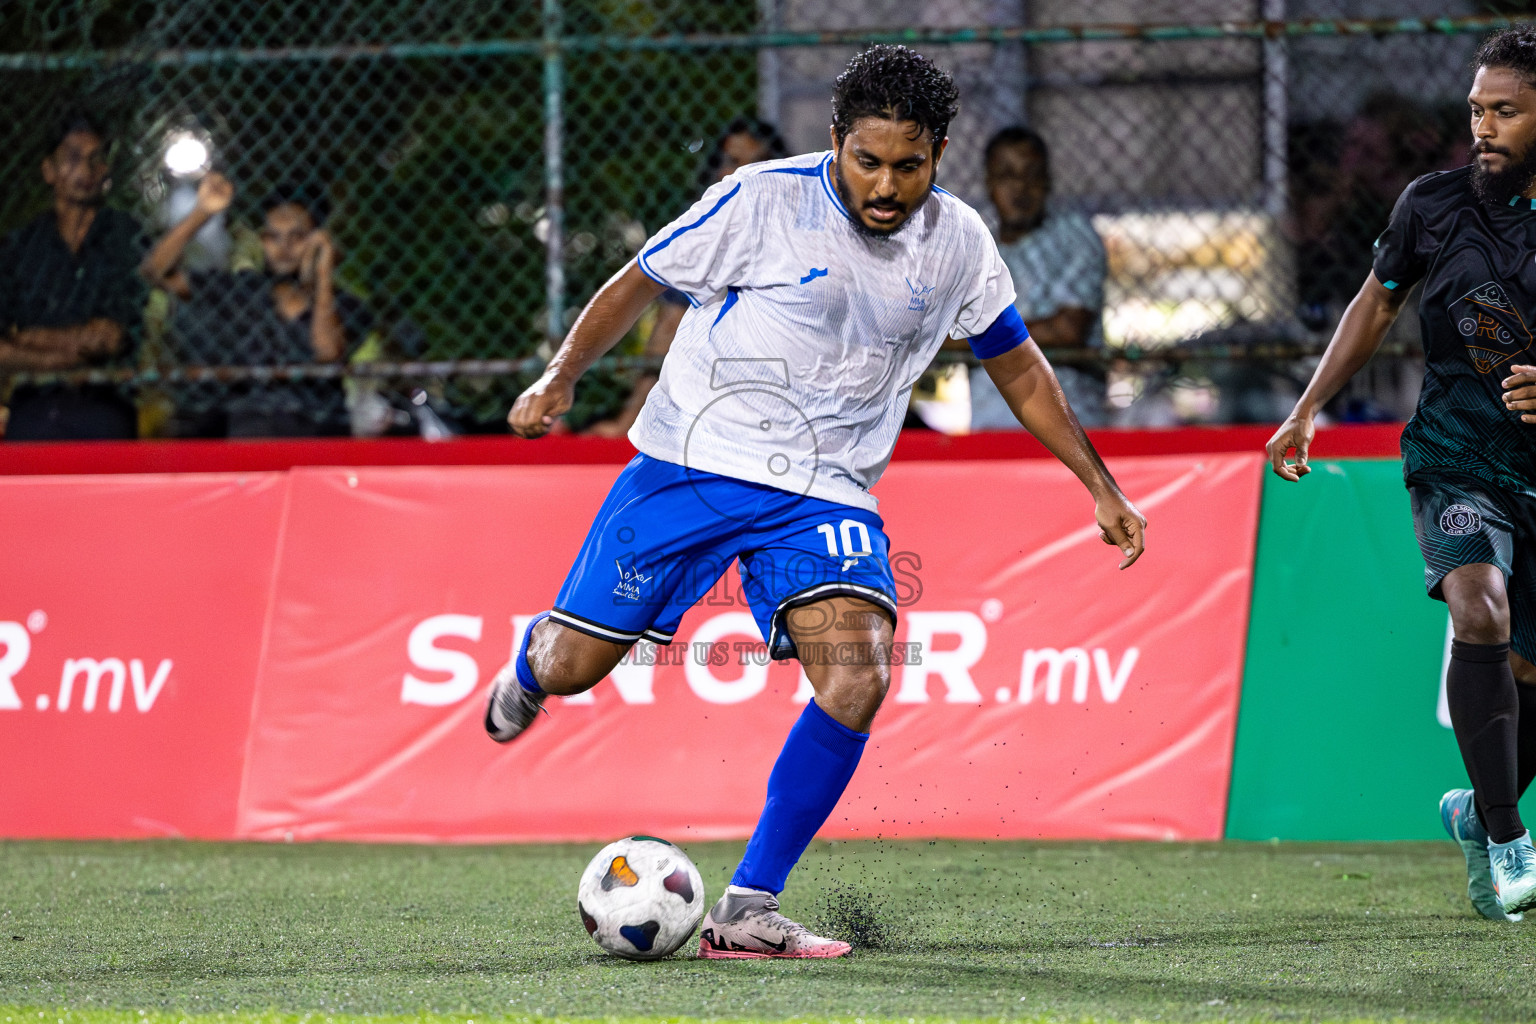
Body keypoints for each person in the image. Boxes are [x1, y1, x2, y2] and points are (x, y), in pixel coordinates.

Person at [490, 45, 1147, 957]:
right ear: (835, 141)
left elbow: (1020, 365)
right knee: (572, 667)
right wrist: (562, 377)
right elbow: (642, 277)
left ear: (940, 154)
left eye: (907, 166)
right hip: (692, 458)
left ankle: (747, 907)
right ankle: (529, 669)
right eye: (867, 161)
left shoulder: (958, 242)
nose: (885, 185)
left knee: (860, 671)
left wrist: (1099, 486)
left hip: (824, 491)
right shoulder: (761, 199)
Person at [1266, 27, 1536, 922]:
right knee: (1479, 604)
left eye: (1505, 110)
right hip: (1455, 455)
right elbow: (1375, 301)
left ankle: (1471, 812)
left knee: (1529, 679)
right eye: (1476, 110)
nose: (1483, 127)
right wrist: (1308, 406)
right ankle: (1508, 841)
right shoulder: (1434, 205)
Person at [581, 116, 789, 438]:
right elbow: (670, 321)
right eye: (733, 162)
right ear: (716, 170)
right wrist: (629, 421)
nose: (744, 173)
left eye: (758, 163)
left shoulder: (802, 229)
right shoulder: (705, 231)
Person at [142, 172, 370, 437]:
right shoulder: (243, 290)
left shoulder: (342, 303)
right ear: (262, 240)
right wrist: (202, 213)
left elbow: (328, 351)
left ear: (317, 238)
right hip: (252, 430)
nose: (283, 247)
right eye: (273, 237)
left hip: (320, 429)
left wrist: (322, 274)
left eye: (297, 237)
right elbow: (157, 271)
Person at [0, 111, 147, 440]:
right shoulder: (20, 247)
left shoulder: (125, 236)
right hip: (33, 410)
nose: (85, 170)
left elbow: (110, 337)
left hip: (104, 408)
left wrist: (30, 339)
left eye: (95, 159)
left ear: (106, 170)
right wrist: (65, 358)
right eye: (72, 158)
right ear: (48, 171)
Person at [960, 125, 1108, 431]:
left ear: (1048, 182)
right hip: (990, 429)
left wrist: (971, 331)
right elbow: (937, 331)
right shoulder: (975, 246)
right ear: (989, 184)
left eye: (1031, 175)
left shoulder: (1074, 237)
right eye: (1006, 175)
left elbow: (1067, 330)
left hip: (1072, 428)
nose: (1020, 187)